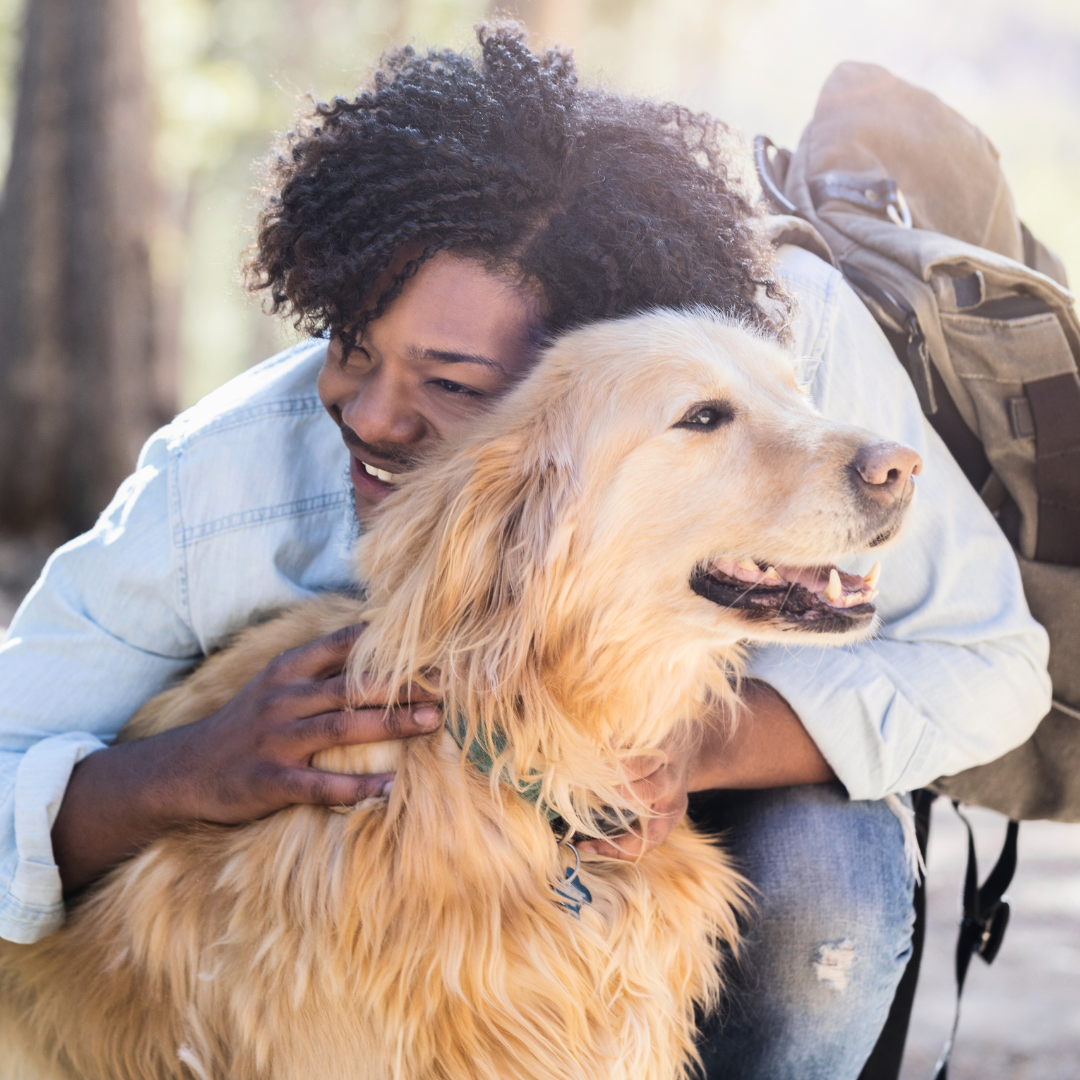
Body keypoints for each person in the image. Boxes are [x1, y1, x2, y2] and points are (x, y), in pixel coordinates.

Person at [0, 24, 1050, 1080]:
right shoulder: (223, 480)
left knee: (825, 881)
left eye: (456, 386)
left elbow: (990, 663)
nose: (366, 417)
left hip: (694, 777)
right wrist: (184, 772)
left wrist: (695, 754)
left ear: (582, 380)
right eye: (351, 347)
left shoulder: (777, 346)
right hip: (377, 827)